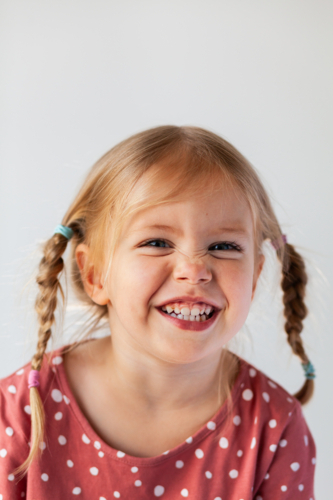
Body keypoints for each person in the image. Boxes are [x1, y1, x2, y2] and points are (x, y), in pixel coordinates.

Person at [0, 126, 316, 499]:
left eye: (224, 245)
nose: (194, 269)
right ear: (95, 274)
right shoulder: (20, 413)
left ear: (254, 277)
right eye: (157, 242)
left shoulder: (274, 425)